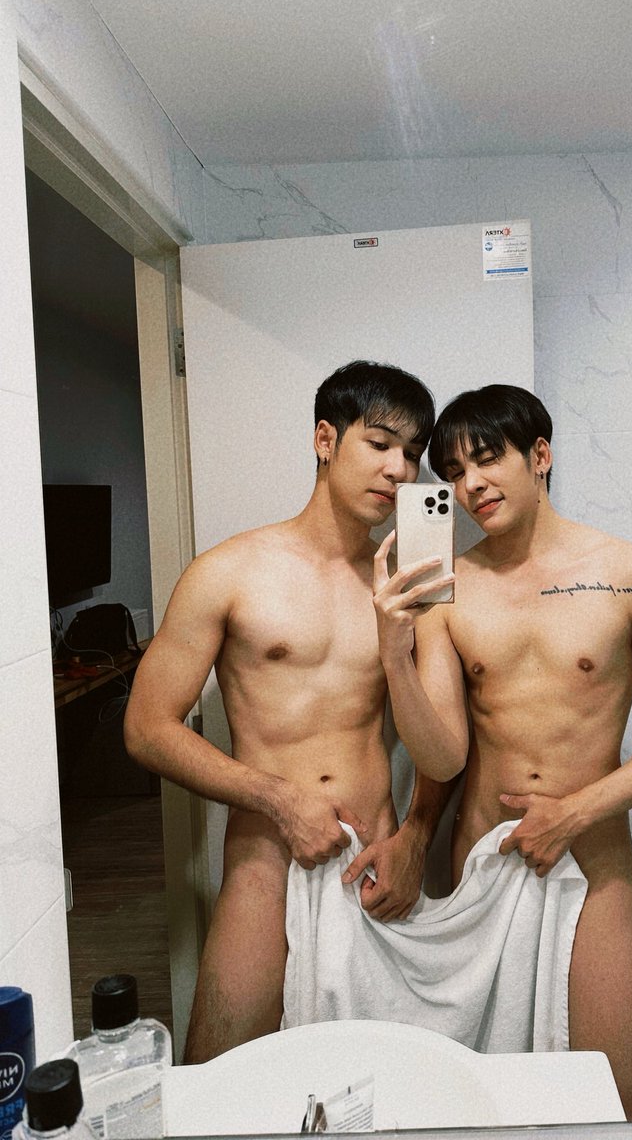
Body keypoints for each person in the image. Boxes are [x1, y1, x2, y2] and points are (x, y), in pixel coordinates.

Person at [370, 384, 632, 1122]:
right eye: (454, 472)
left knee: (614, 1100)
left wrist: (574, 812)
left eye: (488, 459)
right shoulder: (449, 589)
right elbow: (443, 756)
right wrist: (395, 652)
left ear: (541, 456)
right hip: (483, 863)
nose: (471, 485)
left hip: (591, 859)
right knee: (483, 1102)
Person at [124, 360, 448, 1063]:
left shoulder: (409, 586)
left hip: (376, 860)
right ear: (325, 439)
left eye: (412, 453)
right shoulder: (228, 572)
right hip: (265, 857)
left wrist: (418, 837)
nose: (399, 469)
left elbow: (445, 735)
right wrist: (280, 798)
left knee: (384, 1080)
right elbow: (147, 728)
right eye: (380, 443)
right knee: (221, 1075)